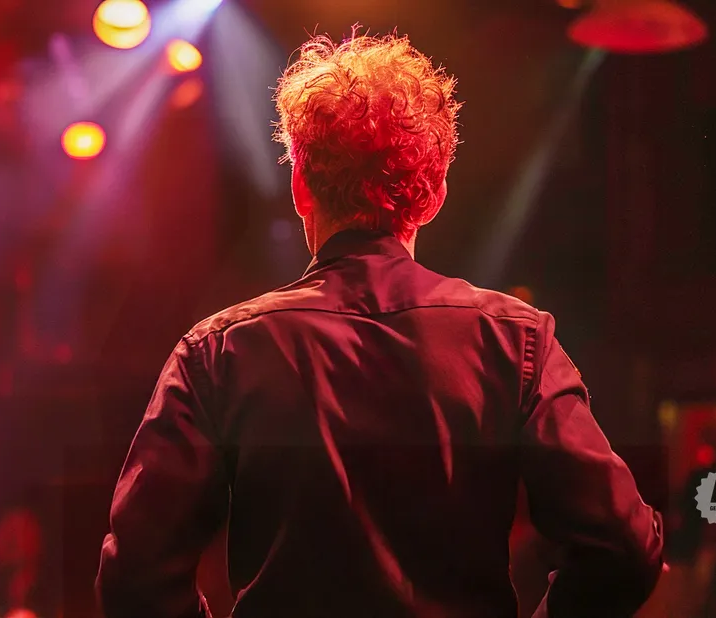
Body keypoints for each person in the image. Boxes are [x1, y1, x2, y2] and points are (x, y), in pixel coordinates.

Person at [96, 30, 664, 618]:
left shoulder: (218, 354)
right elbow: (622, 548)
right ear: (435, 194)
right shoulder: (515, 341)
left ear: (299, 188)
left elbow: (137, 575)